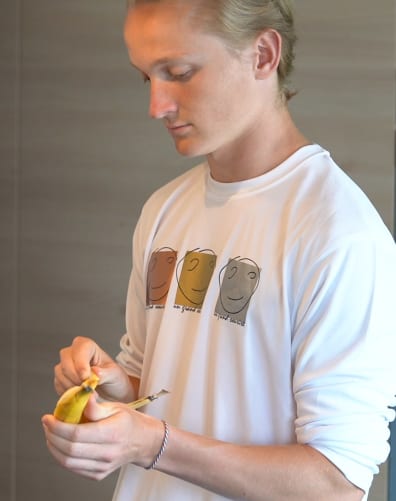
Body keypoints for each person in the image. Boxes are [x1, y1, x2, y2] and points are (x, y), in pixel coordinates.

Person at [40, 0, 396, 499]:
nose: (157, 106)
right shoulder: (164, 209)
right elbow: (164, 391)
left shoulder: (340, 236)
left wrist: (151, 445)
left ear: (264, 54)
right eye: (147, 78)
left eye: (180, 72)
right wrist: (118, 387)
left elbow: (335, 483)